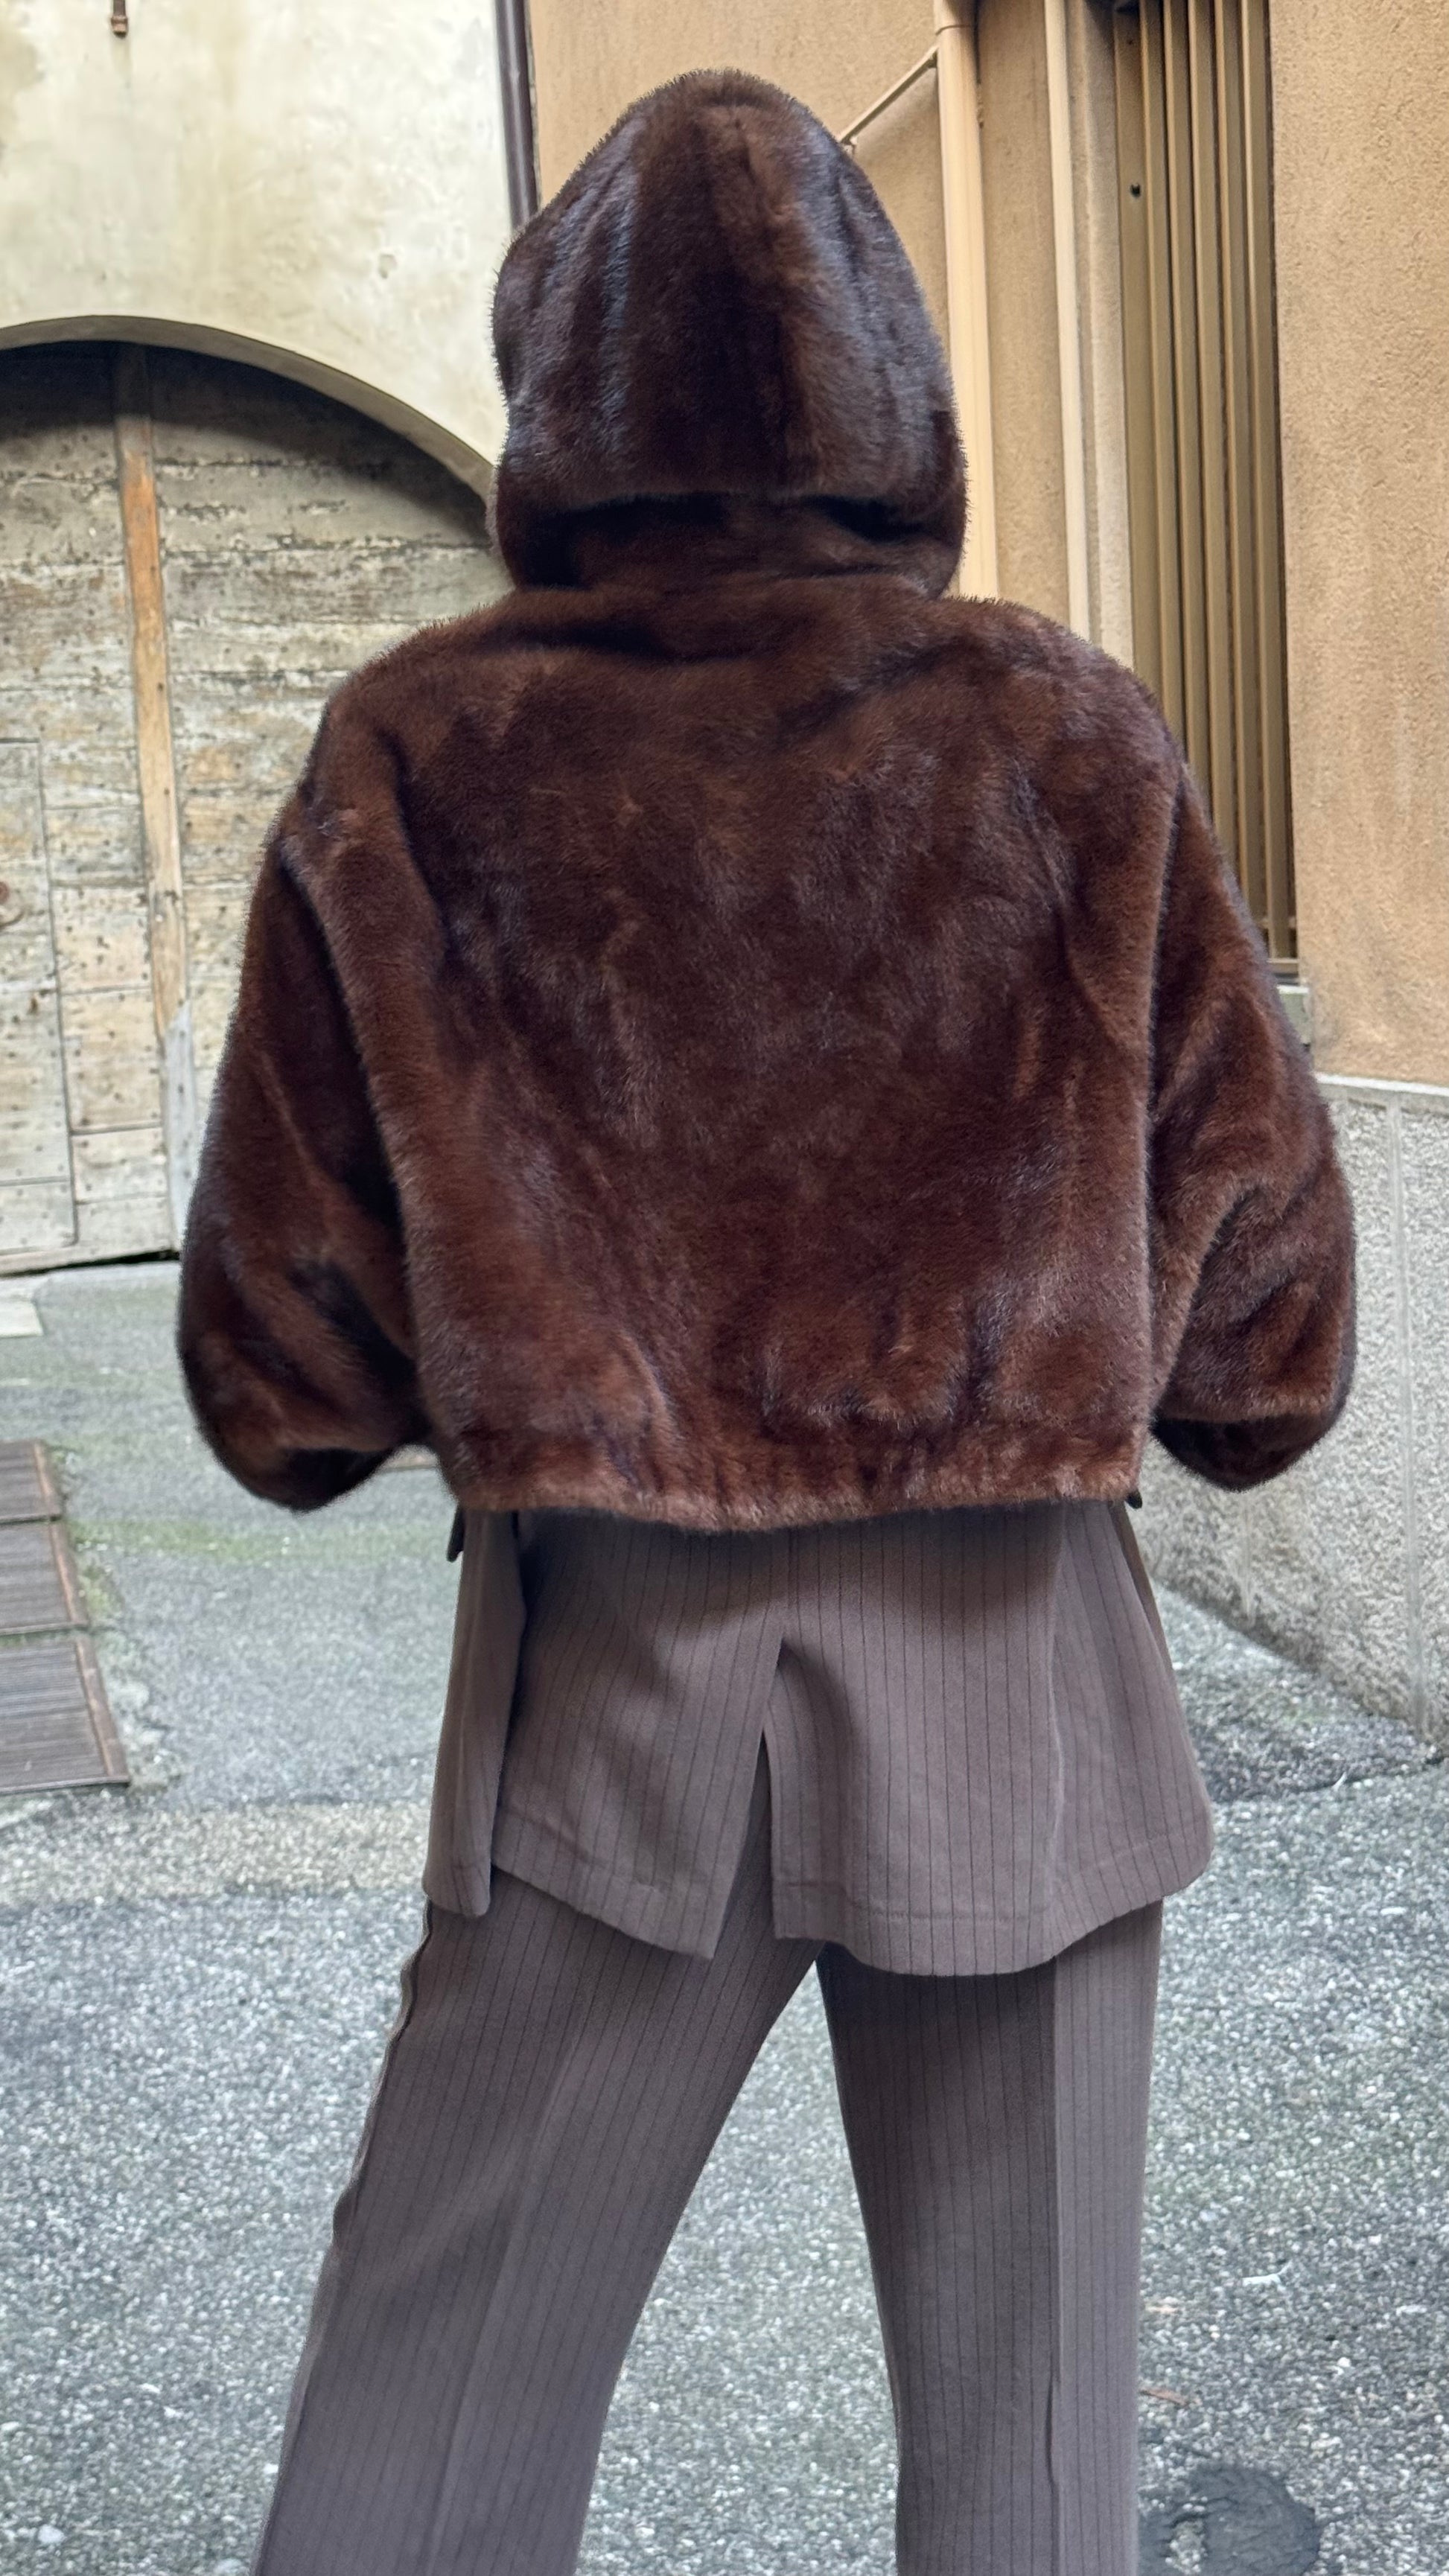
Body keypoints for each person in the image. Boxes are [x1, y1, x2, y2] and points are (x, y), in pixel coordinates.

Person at [176, 68, 1354, 2576]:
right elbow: (1269, 1351)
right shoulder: (1068, 733)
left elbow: (277, 1384)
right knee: (1033, 2478)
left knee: (425, 2432)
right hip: (1023, 1700)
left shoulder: (420, 752)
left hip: (614, 1708)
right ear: (894, 387)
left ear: (555, 391)